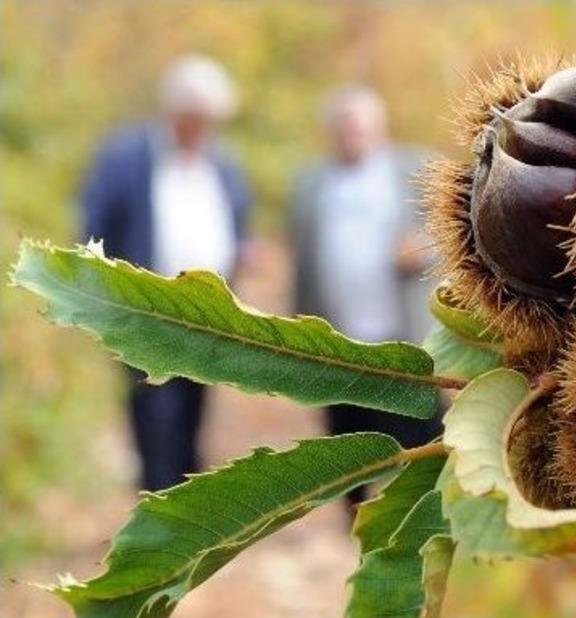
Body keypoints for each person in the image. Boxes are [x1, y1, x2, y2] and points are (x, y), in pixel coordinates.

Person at [81, 54, 251, 492]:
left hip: (206, 318)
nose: (200, 129)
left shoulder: (224, 164)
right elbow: (94, 227)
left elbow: (237, 222)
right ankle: (157, 507)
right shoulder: (126, 157)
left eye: (208, 120)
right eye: (193, 118)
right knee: (155, 419)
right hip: (144, 317)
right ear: (172, 112)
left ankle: (185, 505)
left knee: (193, 415)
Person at [289, 86, 440, 504]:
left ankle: (419, 511)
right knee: (347, 434)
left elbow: (457, 234)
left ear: (381, 128)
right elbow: (302, 262)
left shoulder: (415, 167)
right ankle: (356, 522)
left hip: (403, 332)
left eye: (360, 126)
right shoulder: (311, 184)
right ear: (331, 132)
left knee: (415, 429)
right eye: (344, 127)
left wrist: (419, 248)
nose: (352, 134)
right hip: (339, 336)